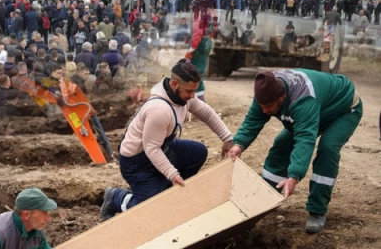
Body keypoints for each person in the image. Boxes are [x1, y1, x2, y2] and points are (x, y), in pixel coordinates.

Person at [228, 69, 363, 234]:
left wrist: (294, 176)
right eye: (262, 106)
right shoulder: (265, 92)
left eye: (268, 106)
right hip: (319, 106)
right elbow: (253, 119)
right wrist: (239, 144)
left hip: (344, 109)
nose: (265, 111)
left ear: (282, 97)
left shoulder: (303, 99)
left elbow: (305, 139)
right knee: (282, 144)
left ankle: (317, 210)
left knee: (327, 148)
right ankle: (268, 195)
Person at [100, 60, 233, 220]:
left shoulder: (184, 98)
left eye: (194, 91)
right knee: (152, 210)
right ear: (174, 84)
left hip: (161, 148)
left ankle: (166, 193)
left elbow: (207, 113)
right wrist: (172, 174)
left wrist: (227, 138)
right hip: (136, 163)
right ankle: (116, 197)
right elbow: (151, 148)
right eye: (189, 91)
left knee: (198, 152)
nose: (192, 96)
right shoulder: (159, 110)